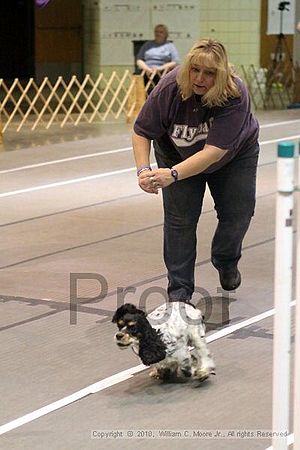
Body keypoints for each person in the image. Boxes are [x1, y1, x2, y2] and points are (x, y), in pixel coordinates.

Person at [132, 38, 259, 303]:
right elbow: (142, 131)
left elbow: (212, 153)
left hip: (233, 157)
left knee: (238, 215)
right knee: (180, 222)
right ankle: (179, 297)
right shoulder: (169, 87)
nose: (200, 78)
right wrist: (144, 170)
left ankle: (225, 259)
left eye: (209, 73)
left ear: (221, 75)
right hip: (174, 153)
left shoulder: (235, 95)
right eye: (195, 70)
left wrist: (173, 174)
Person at [136, 24, 180, 89]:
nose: (158, 34)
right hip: (146, 70)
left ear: (166, 34)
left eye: (161, 32)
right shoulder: (147, 44)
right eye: (156, 32)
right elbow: (139, 60)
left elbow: (175, 62)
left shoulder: (170, 46)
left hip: (163, 71)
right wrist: (147, 69)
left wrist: (160, 68)